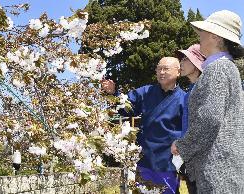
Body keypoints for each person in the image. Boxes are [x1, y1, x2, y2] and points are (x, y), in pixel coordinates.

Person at [171, 10, 244, 193]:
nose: (199, 37)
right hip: (224, 168)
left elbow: (209, 119)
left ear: (215, 36)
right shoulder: (226, 68)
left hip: (217, 170)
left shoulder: (217, 69)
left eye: (203, 32)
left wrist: (181, 145)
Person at [102, 57, 186, 194]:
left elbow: (188, 130)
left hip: (168, 162)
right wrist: (114, 93)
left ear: (178, 72)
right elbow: (126, 108)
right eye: (159, 68)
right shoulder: (146, 92)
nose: (161, 72)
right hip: (145, 159)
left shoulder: (185, 99)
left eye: (166, 69)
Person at [175, 44, 205, 194]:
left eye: (186, 58)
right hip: (190, 159)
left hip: (203, 162)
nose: (181, 62)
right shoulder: (189, 92)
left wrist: (181, 144)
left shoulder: (204, 89)